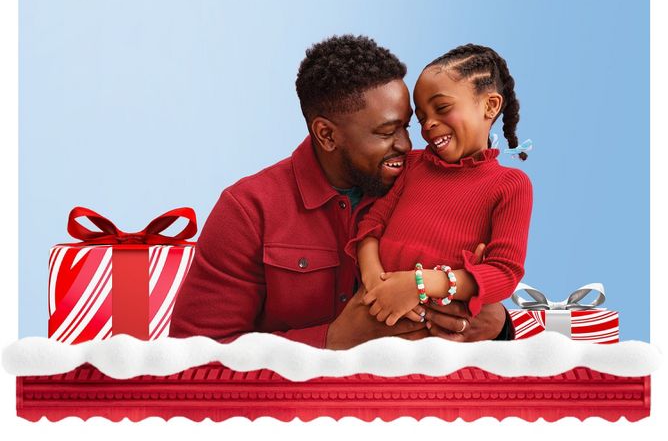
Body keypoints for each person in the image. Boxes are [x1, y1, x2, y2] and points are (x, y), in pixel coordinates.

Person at [169, 35, 513, 348]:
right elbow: (193, 360)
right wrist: (333, 340)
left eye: (407, 126)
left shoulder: (433, 180)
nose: (408, 144)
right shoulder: (248, 211)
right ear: (327, 135)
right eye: (385, 132)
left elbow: (484, 282)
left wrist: (498, 325)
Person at [350, 44, 533, 330]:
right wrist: (375, 282)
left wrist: (418, 285)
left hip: (437, 333)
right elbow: (372, 224)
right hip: (373, 310)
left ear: (490, 105)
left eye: (442, 108)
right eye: (421, 118)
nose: (429, 125)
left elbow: (504, 272)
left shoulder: (510, 185)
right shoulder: (412, 165)